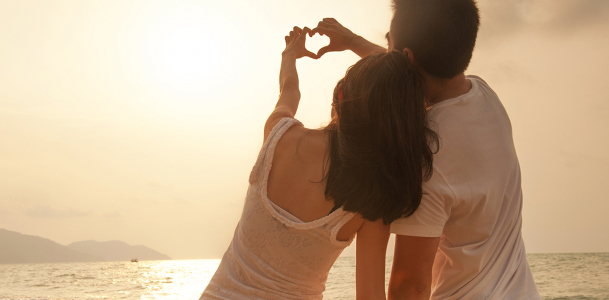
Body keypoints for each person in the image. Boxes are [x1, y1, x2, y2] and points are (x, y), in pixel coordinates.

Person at [311, 0, 541, 299]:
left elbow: (411, 285)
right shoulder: (484, 95)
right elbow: (406, 73)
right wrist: (354, 42)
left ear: (406, 58)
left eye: (389, 44)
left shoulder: (422, 155)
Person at [200, 26, 438, 299]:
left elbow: (289, 90)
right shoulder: (372, 199)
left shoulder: (279, 135)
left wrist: (289, 55)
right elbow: (370, 295)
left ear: (339, 96)